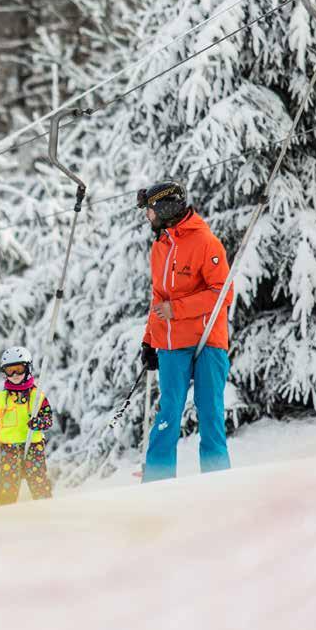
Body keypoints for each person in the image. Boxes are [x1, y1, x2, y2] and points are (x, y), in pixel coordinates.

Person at [138, 181, 233, 481]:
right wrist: (149, 341)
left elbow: (223, 294)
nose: (147, 217)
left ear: (165, 209)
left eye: (150, 210)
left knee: (210, 414)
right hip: (171, 343)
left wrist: (177, 309)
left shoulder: (206, 242)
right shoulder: (159, 246)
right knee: (168, 415)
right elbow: (157, 298)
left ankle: (217, 481)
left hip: (208, 342)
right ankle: (157, 482)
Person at [0, 347, 53, 505]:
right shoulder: (1, 398)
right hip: (9, 450)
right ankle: (3, 518)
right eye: (10, 371)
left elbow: (48, 419)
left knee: (39, 484)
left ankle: (48, 513)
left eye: (19, 369)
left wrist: (38, 423)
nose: (15, 375)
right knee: (7, 488)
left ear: (28, 368)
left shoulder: (37, 396)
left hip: (33, 448)